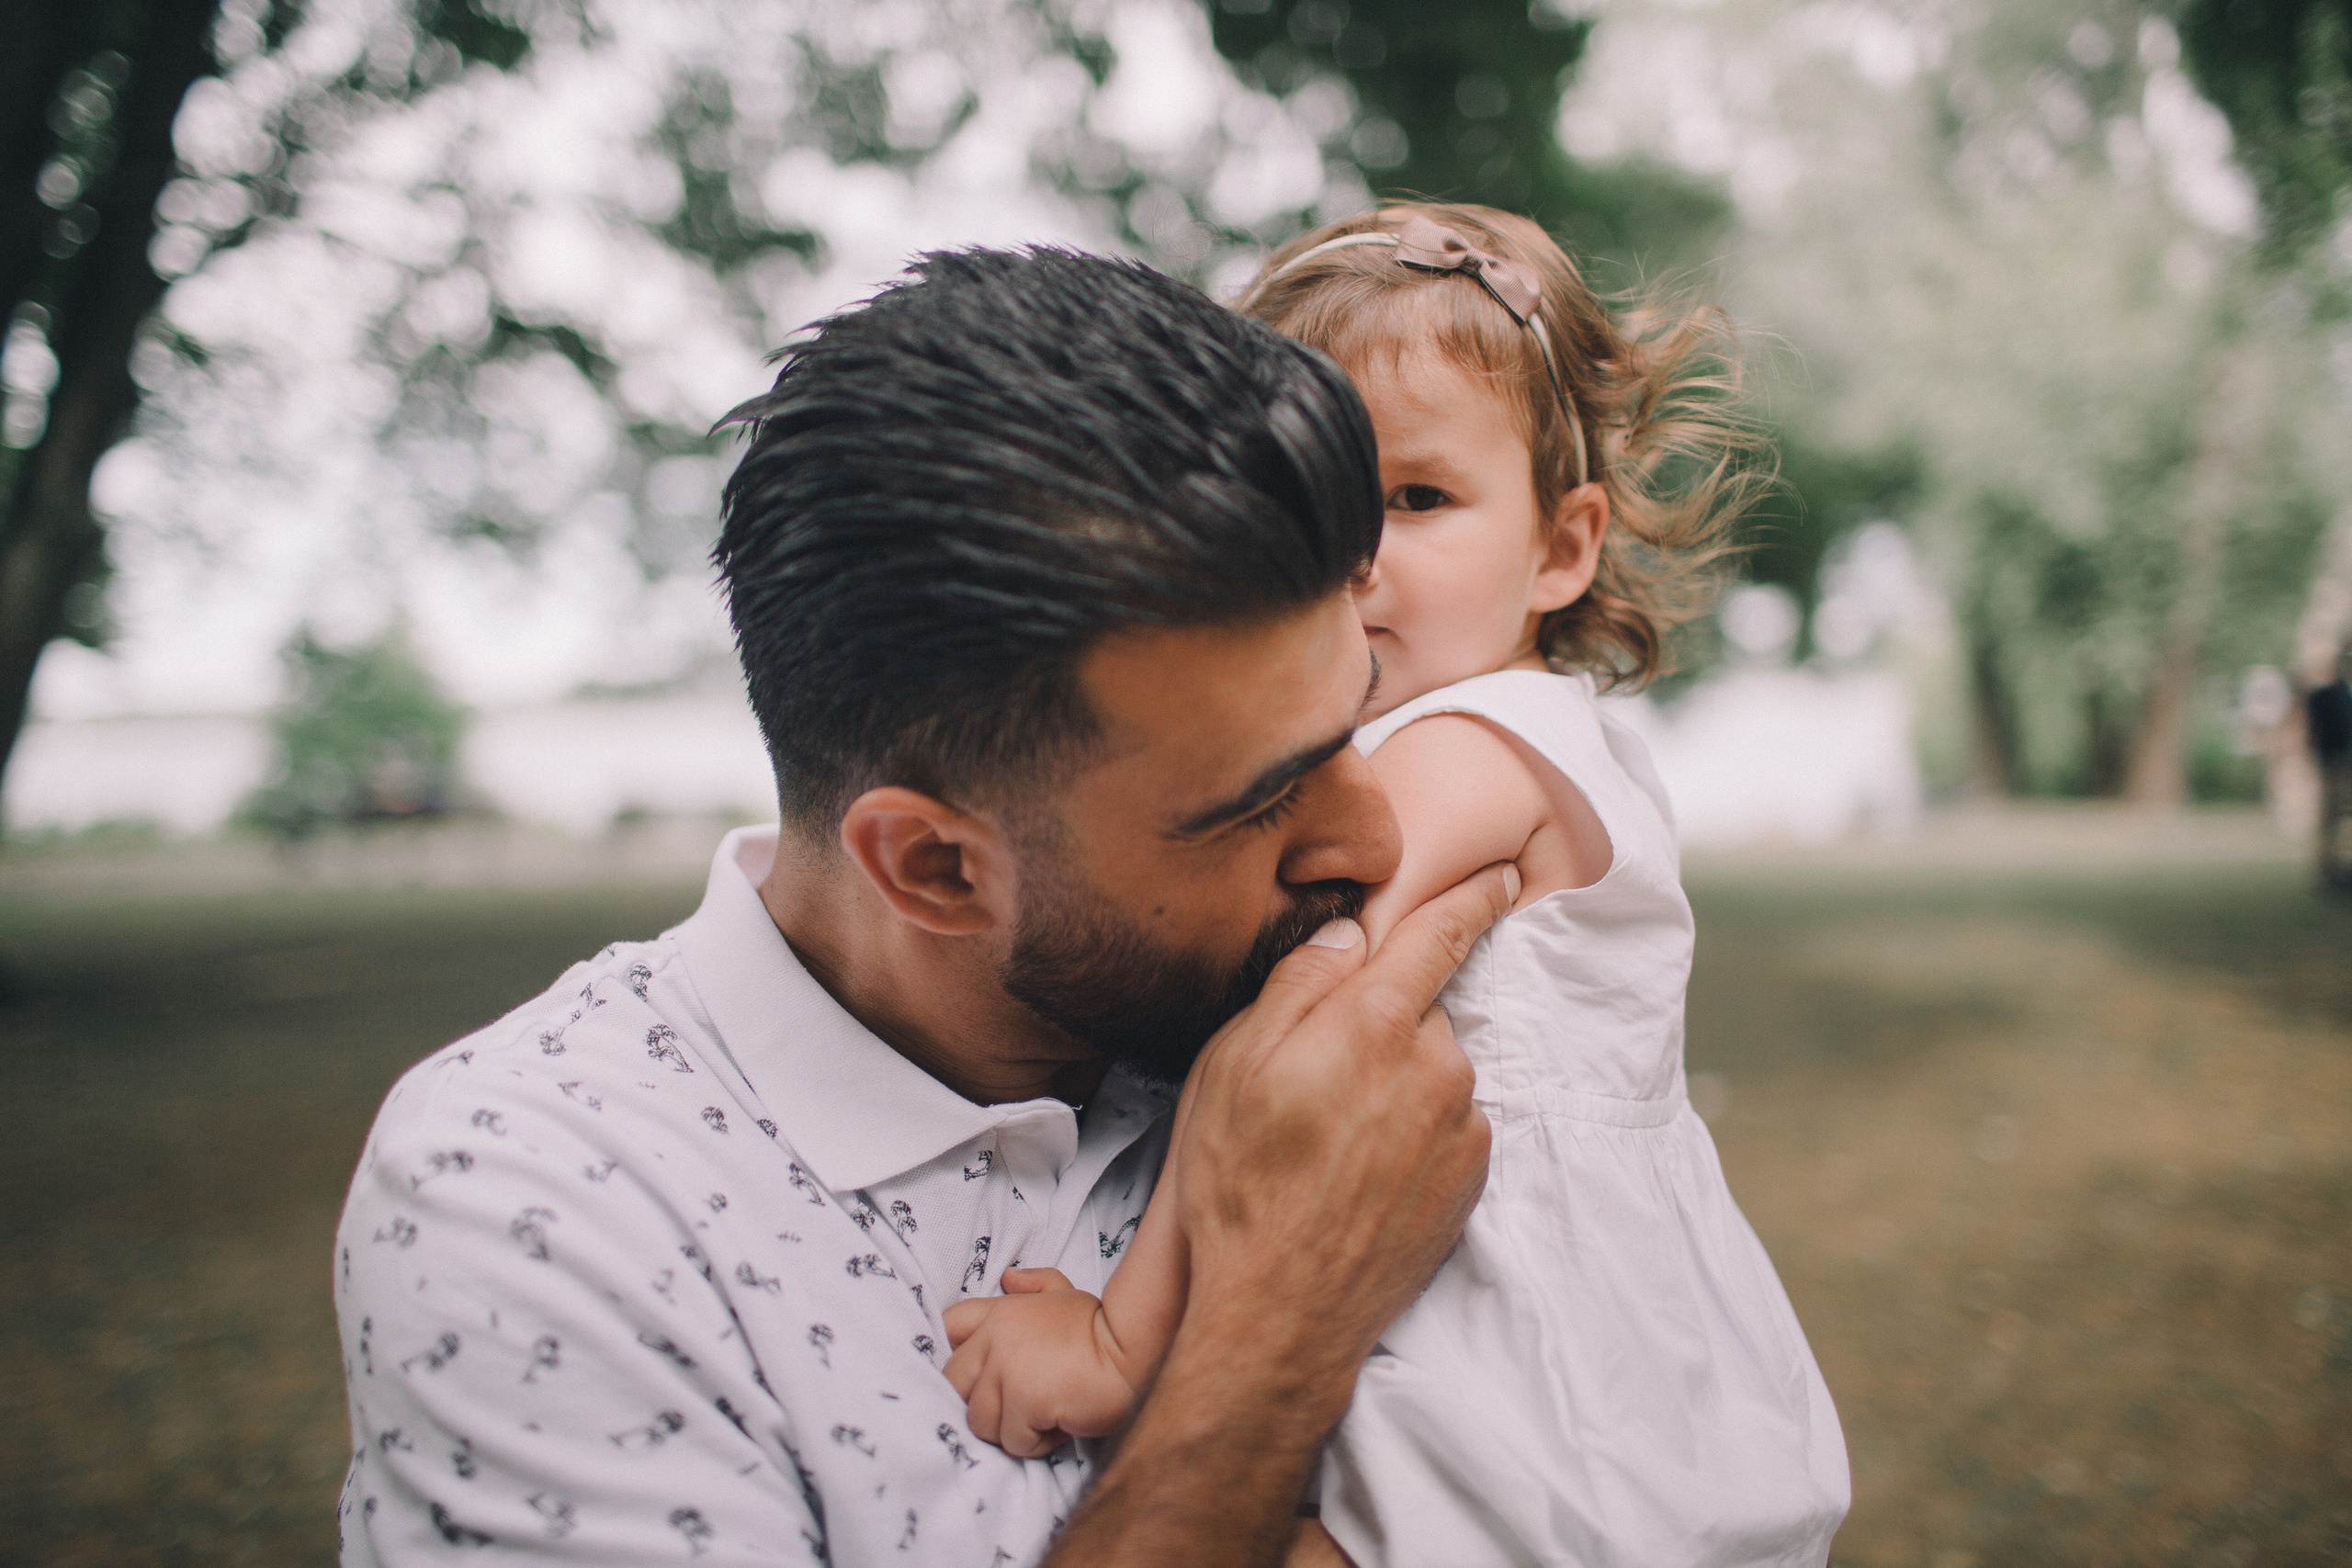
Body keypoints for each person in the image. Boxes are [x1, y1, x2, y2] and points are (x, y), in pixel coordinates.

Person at [331, 246, 1515, 1566]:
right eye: (1261, 802)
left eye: (1358, 718)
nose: (1375, 833)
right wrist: (1279, 1325)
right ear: (935, 868)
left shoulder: (1390, 1028)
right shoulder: (534, 1199)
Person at [942, 206, 1851, 1566]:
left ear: (1563, 546)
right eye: (1304, 508)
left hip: (1520, 1358)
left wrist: (1120, 1342)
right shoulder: (1534, 735)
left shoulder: (1470, 744)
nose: (1355, 556)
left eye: (1419, 498)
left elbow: (1293, 1052)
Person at [2312, 646, 2352, 890]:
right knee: (2333, 816)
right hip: (2336, 762)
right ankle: (2330, 870)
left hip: (2341, 761)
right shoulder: (2327, 697)